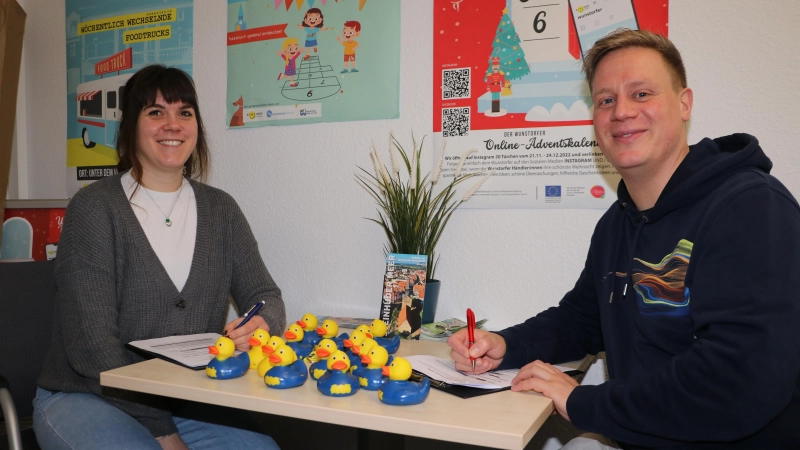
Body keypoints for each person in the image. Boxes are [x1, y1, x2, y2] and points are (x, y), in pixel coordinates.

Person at [448, 29, 800, 449]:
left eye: (642, 94)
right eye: (606, 100)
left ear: (684, 103)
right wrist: (506, 344)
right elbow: (583, 318)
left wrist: (585, 402)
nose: (622, 112)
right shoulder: (617, 222)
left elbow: (738, 381)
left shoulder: (750, 207)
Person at [33, 65, 287, 450]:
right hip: (86, 395)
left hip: (187, 400)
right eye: (156, 112)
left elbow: (265, 294)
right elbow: (92, 347)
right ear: (131, 126)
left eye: (184, 112)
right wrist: (162, 432)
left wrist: (265, 321)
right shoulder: (94, 208)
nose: (173, 125)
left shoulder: (221, 210)